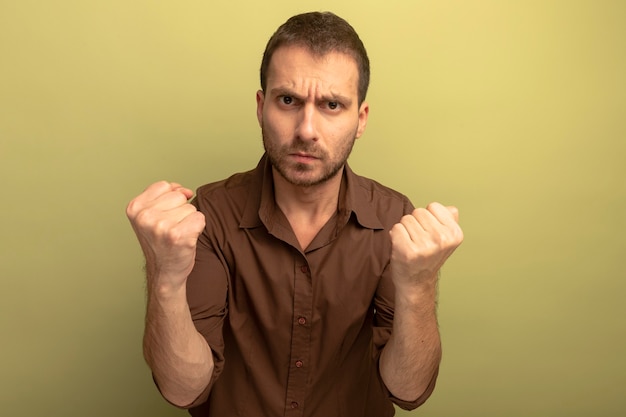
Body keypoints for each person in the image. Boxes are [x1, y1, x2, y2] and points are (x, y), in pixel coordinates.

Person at [126, 11, 463, 417]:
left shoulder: (395, 221)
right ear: (260, 105)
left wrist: (418, 286)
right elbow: (184, 390)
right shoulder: (209, 216)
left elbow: (407, 391)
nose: (306, 129)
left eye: (332, 105)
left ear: (360, 120)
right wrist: (165, 277)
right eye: (288, 100)